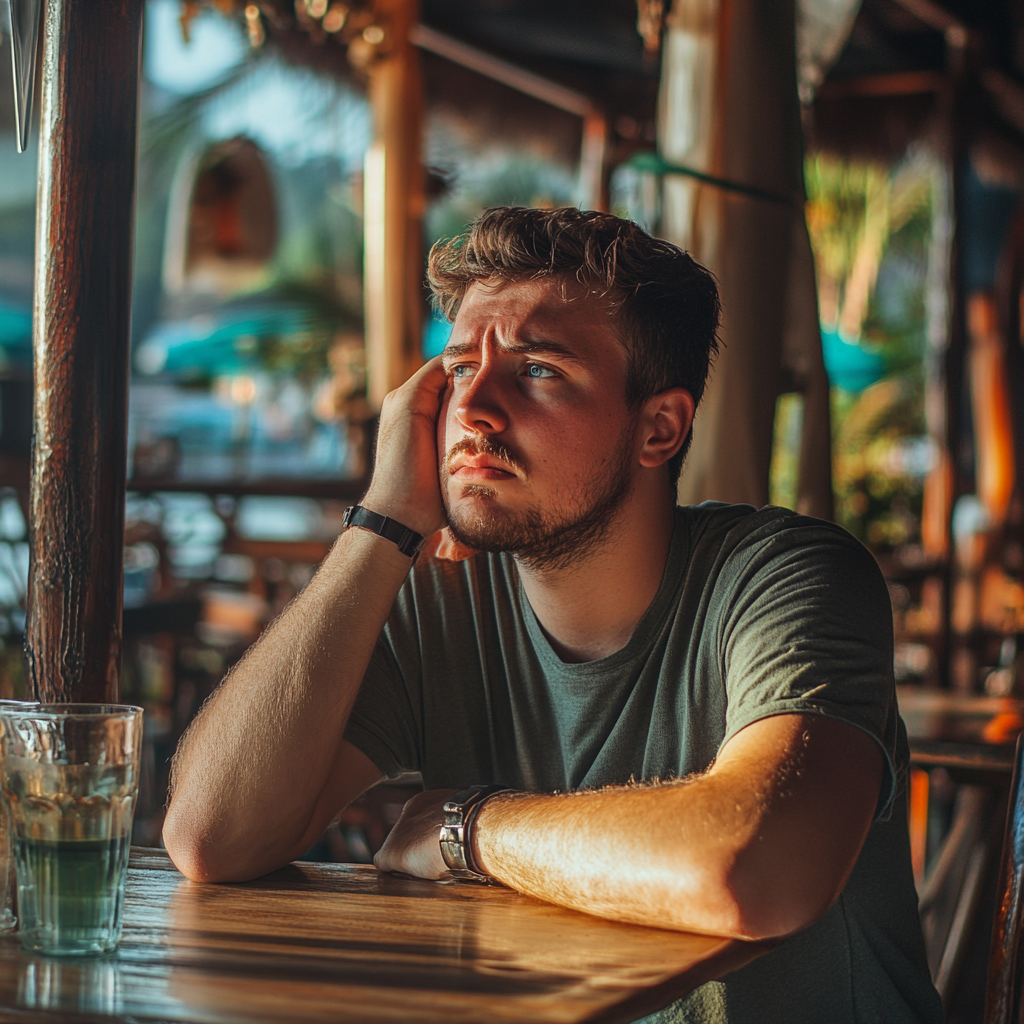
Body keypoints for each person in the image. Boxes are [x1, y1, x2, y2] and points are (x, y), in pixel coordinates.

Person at [164, 207, 942, 1024]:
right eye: (460, 369)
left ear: (660, 427)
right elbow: (213, 837)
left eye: (538, 370)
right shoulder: (441, 601)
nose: (475, 411)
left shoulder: (784, 576)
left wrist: (470, 829)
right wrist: (384, 519)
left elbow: (754, 871)